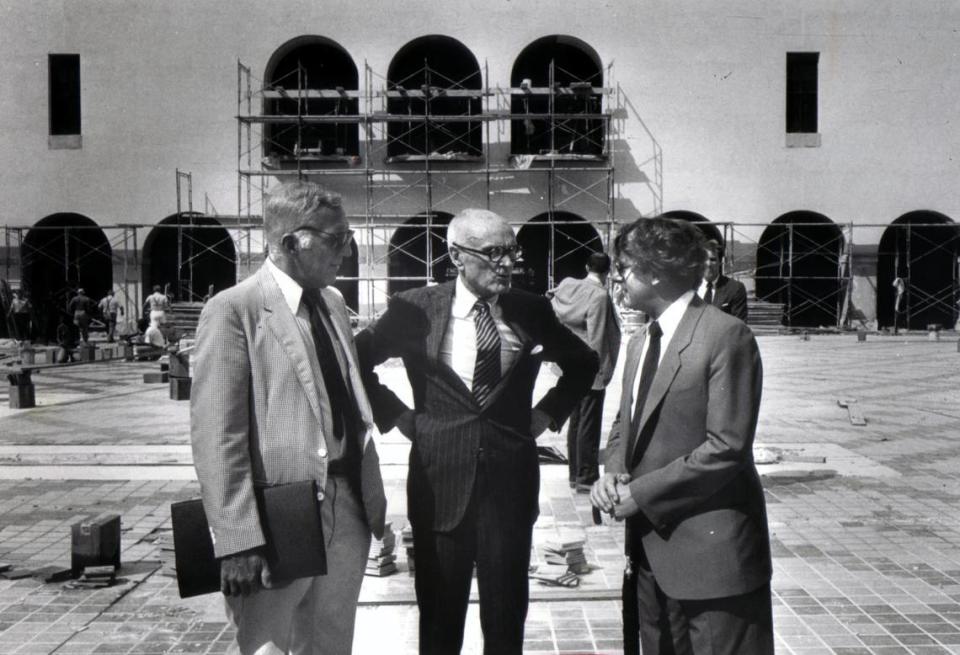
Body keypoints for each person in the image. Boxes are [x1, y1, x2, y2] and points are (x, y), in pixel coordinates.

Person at [356, 208, 598, 655]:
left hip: (509, 483)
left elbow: (584, 363)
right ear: (456, 255)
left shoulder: (530, 309)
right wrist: (401, 417)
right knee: (439, 617)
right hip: (439, 480)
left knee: (506, 618)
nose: (507, 264)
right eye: (492, 254)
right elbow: (355, 363)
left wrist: (546, 414)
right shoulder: (414, 309)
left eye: (511, 252)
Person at [190, 181, 387, 655]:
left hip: (346, 505)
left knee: (331, 642)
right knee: (270, 647)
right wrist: (237, 540)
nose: (347, 251)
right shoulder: (234, 310)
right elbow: (218, 436)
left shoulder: (334, 304)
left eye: (348, 237)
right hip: (278, 515)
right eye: (335, 239)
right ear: (291, 242)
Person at [591, 217, 772, 655]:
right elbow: (625, 424)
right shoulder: (639, 341)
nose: (618, 280)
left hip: (712, 563)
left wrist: (643, 494)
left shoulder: (725, 336)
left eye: (625, 268)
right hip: (653, 556)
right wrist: (612, 473)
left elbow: (726, 447)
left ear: (655, 272)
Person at [548, 252, 622, 491]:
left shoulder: (568, 285)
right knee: (589, 424)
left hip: (568, 365)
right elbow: (598, 336)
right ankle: (586, 477)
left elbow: (552, 301)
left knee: (576, 421)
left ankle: (574, 474)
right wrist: (600, 372)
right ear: (607, 272)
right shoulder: (599, 296)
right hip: (589, 367)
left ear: (587, 266)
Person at [697, 239, 748, 321]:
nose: (708, 264)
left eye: (712, 259)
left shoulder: (735, 289)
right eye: (704, 259)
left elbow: (739, 326)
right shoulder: (690, 288)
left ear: (720, 262)